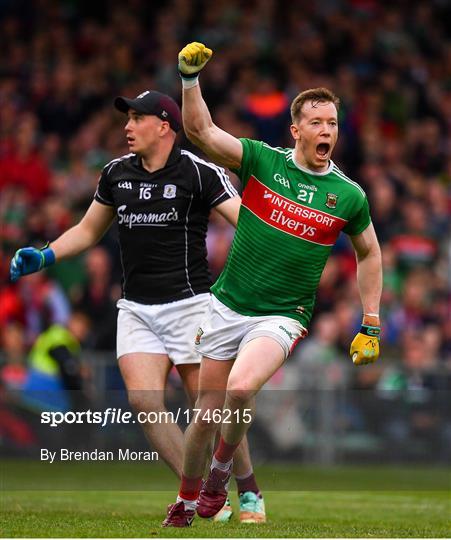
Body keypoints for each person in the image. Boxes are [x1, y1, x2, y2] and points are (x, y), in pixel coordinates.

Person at [10, 90, 265, 523]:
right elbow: (88, 230)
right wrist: (47, 254)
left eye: (136, 118)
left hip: (191, 305)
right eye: (127, 119)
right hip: (136, 308)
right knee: (145, 403)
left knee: (210, 405)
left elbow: (248, 226)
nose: (127, 127)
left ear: (164, 125)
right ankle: (203, 495)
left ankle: (248, 490)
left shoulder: (200, 173)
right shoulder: (115, 175)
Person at [161, 42, 383, 527]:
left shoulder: (348, 196)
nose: (327, 131)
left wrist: (371, 322)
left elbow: (369, 252)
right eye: (318, 122)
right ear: (296, 129)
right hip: (226, 305)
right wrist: (189, 80)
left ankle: (222, 474)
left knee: (241, 390)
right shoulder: (263, 162)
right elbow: (199, 130)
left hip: (282, 314)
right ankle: (186, 496)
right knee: (205, 413)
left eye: (333, 123)